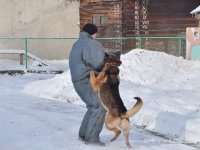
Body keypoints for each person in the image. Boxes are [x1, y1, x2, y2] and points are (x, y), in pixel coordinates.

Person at [69, 23, 107, 146]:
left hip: (78, 80)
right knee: (99, 107)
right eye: (96, 33)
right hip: (85, 80)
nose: (96, 36)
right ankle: (92, 139)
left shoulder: (78, 43)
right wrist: (107, 59)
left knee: (92, 106)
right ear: (93, 33)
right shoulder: (89, 43)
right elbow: (98, 63)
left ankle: (84, 134)